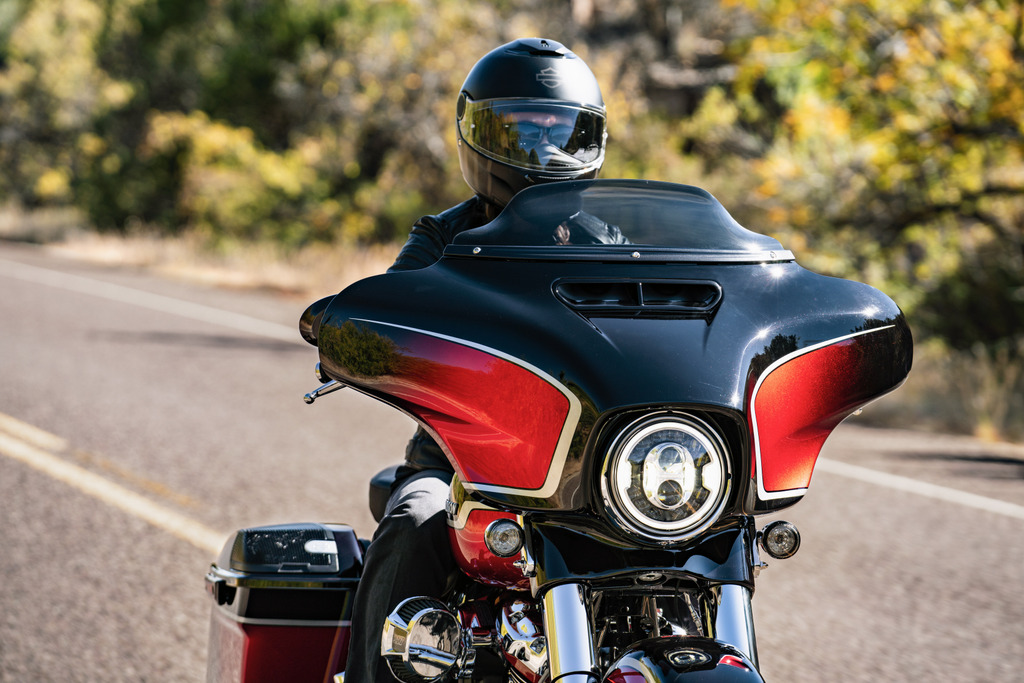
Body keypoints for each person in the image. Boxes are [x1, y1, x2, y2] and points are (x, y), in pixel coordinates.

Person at [344, 37, 609, 683]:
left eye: (560, 131)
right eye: (521, 129)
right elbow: (389, 309)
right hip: (462, 465)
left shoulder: (614, 245)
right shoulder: (445, 237)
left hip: (592, 468)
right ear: (481, 135)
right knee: (415, 519)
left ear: (587, 138)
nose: (543, 148)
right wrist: (362, 334)